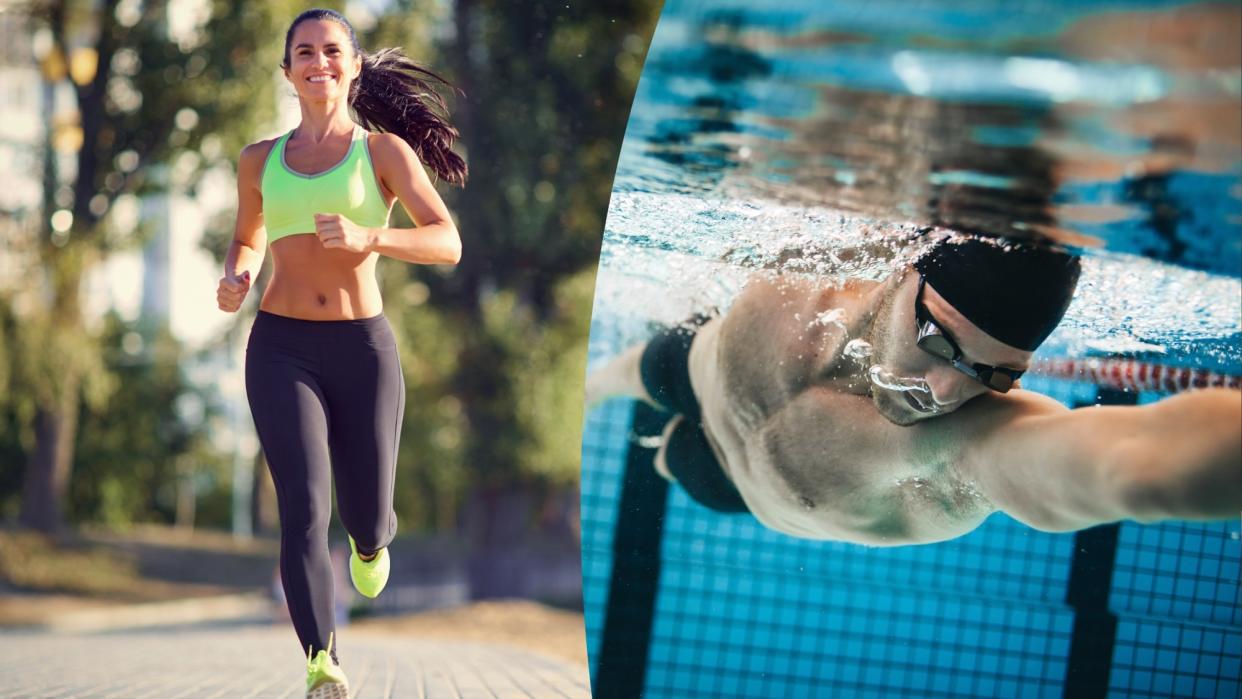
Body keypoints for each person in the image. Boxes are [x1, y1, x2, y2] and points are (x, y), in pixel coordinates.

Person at [586, 232, 1241, 545]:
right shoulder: (824, 250)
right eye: (940, 341)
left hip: (731, 487)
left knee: (670, 456)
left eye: (995, 374)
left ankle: (663, 446)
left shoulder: (959, 446)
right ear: (904, 270)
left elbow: (1126, 463)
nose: (946, 391)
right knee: (631, 371)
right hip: (695, 365)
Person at [215, 9, 465, 698]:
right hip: (279, 347)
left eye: (332, 50)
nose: (318, 61)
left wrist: (370, 238)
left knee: (367, 512)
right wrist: (237, 274)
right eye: (304, 52)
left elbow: (447, 241)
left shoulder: (382, 153)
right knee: (302, 505)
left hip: (363, 347)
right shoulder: (259, 160)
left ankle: (371, 541)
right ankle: (321, 660)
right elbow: (247, 237)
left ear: (353, 66)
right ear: (288, 70)